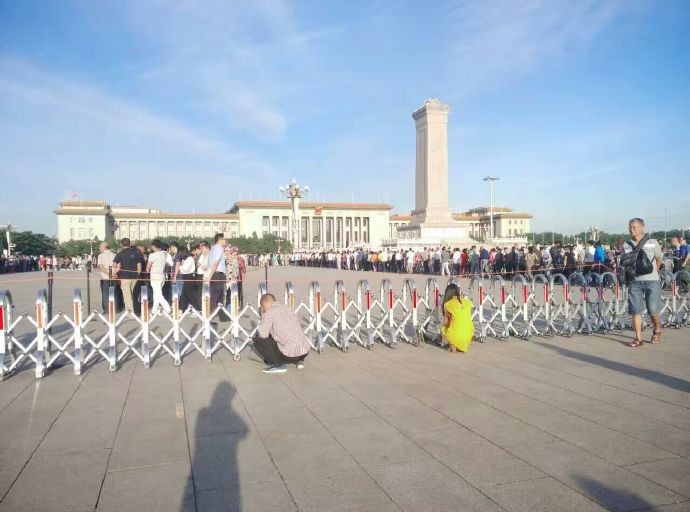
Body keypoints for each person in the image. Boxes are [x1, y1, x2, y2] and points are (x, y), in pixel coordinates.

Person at [622, 218, 663, 347]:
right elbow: (624, 262)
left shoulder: (652, 242)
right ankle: (638, 339)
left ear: (642, 227)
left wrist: (652, 272)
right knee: (635, 310)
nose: (631, 229)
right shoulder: (626, 245)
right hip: (634, 282)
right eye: (630, 227)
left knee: (653, 309)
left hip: (652, 281)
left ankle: (657, 329)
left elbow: (659, 260)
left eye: (634, 227)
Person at [253, 293, 311, 373]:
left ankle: (278, 365)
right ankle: (299, 361)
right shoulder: (288, 308)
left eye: (262, 308)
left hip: (288, 355)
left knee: (258, 341)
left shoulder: (269, 312)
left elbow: (263, 334)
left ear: (263, 306)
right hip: (305, 351)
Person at [113, 238, 145, 313]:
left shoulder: (120, 254)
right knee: (134, 294)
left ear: (121, 245)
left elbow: (114, 265)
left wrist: (115, 272)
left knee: (127, 296)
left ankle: (130, 312)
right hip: (135, 277)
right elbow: (139, 266)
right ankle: (136, 310)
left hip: (125, 277)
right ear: (130, 244)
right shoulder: (136, 253)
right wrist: (137, 274)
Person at [440, 283, 474, 353]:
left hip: (457, 336)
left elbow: (446, 323)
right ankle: (460, 343)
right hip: (469, 335)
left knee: (443, 328)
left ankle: (453, 344)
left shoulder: (447, 304)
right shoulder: (468, 302)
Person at [147, 239, 172, 315]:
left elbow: (148, 267)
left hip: (155, 277)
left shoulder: (152, 255)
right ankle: (153, 311)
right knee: (156, 294)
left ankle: (168, 309)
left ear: (153, 246)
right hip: (162, 276)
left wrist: (149, 268)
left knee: (158, 295)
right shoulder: (164, 254)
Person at [205, 233, 227, 308]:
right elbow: (215, 263)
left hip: (214, 274)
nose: (225, 241)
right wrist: (210, 276)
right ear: (220, 240)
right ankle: (209, 313)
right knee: (215, 295)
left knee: (220, 296)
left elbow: (209, 264)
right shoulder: (219, 249)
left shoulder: (212, 249)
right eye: (224, 239)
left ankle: (221, 313)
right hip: (217, 274)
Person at [96, 242, 116, 313]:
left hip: (105, 277)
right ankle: (114, 308)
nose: (99, 248)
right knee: (113, 292)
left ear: (104, 247)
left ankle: (107, 309)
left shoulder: (101, 256)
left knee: (105, 293)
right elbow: (117, 266)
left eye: (100, 247)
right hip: (113, 277)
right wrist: (113, 274)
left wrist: (108, 274)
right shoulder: (114, 255)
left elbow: (101, 266)